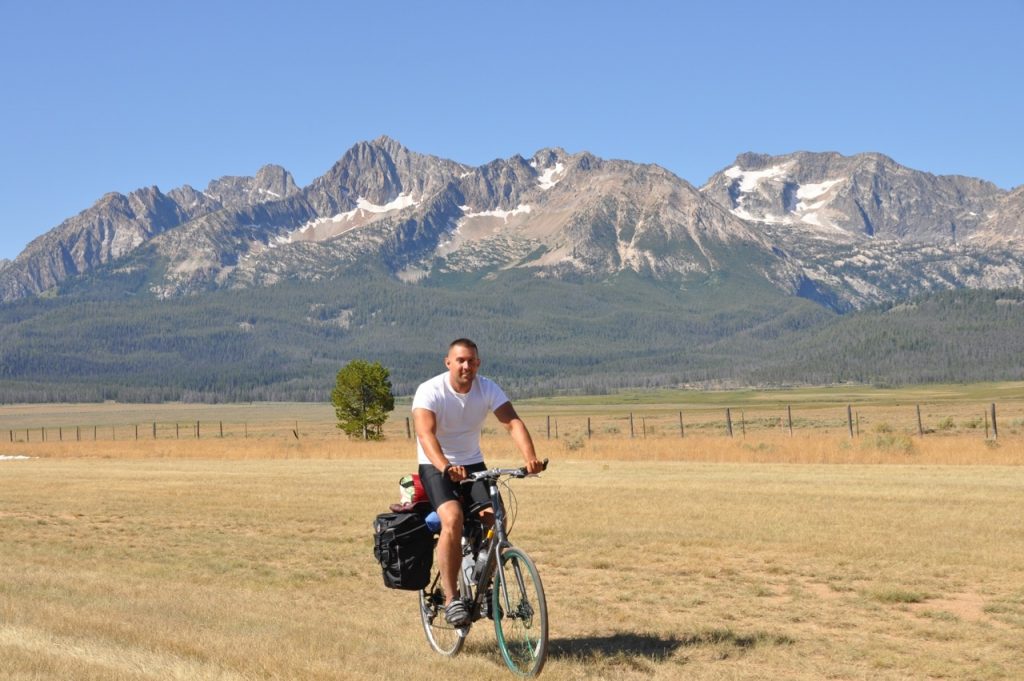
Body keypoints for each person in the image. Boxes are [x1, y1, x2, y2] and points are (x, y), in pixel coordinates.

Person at [413, 338, 543, 626]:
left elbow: (512, 422)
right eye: (460, 360)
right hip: (436, 463)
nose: (466, 366)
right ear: (448, 362)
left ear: (478, 363)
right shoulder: (430, 391)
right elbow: (425, 434)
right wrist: (445, 466)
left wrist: (530, 459)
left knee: (495, 518)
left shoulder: (487, 387)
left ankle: (484, 583)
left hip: (472, 463)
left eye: (471, 360)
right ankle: (452, 598)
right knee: (453, 517)